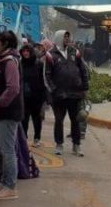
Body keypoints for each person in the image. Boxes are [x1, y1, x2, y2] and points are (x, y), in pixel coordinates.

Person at [0, 30, 23, 201]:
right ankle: (4, 182)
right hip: (4, 111)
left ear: (6, 44)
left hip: (9, 112)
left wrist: (0, 101)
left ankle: (11, 186)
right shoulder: (2, 60)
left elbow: (13, 88)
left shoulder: (10, 62)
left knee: (8, 150)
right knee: (3, 148)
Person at [43, 29, 88, 157]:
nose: (67, 39)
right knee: (59, 120)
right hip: (59, 95)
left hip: (75, 94)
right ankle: (59, 145)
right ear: (58, 38)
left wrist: (85, 87)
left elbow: (83, 70)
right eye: (65, 37)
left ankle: (77, 145)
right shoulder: (50, 55)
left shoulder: (75, 52)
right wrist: (53, 90)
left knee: (76, 120)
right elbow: (47, 75)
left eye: (68, 37)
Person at [20, 43, 46, 146]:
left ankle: (37, 138)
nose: (25, 53)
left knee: (37, 119)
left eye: (27, 51)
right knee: (24, 119)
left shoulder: (38, 64)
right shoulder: (20, 64)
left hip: (36, 97)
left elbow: (43, 80)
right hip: (24, 96)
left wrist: (43, 96)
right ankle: (24, 138)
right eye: (24, 51)